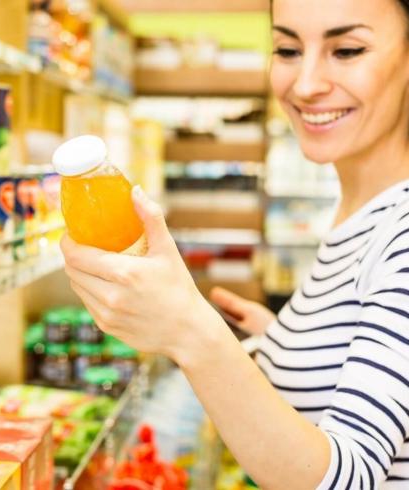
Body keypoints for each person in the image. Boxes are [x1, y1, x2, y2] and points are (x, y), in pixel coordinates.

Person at [61, 0, 409, 488]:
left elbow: (347, 479)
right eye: (287, 49)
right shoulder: (362, 214)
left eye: (347, 50)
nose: (306, 84)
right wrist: (287, 343)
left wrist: (193, 332)